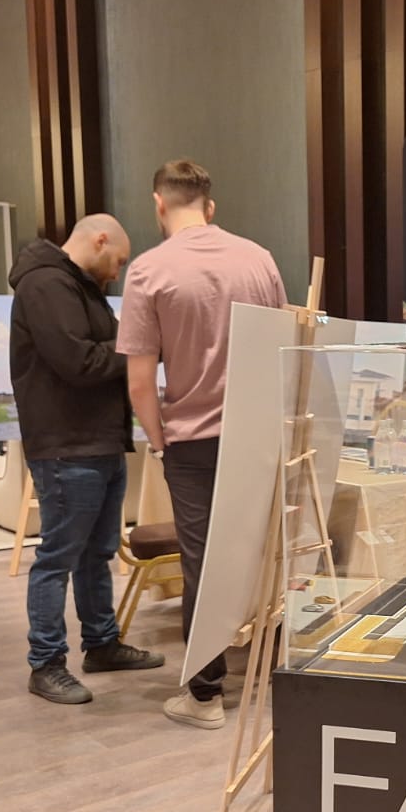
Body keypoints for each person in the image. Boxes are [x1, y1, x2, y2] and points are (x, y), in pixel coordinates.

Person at [118, 159, 288, 729]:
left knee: (204, 564)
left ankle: (205, 696)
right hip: (258, 433)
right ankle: (277, 674)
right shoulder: (259, 260)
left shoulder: (148, 271)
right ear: (209, 206)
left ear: (159, 204)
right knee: (263, 556)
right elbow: (283, 348)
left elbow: (140, 381)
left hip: (193, 441)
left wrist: (159, 441)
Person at [11, 214, 163, 705]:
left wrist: (133, 348)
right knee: (58, 557)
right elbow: (79, 362)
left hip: (99, 442)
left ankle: (101, 644)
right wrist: (142, 349)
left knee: (97, 554)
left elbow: (105, 349)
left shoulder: (82, 287)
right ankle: (46, 663)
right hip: (66, 445)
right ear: (100, 241)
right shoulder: (45, 285)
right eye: (118, 260)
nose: (118, 271)